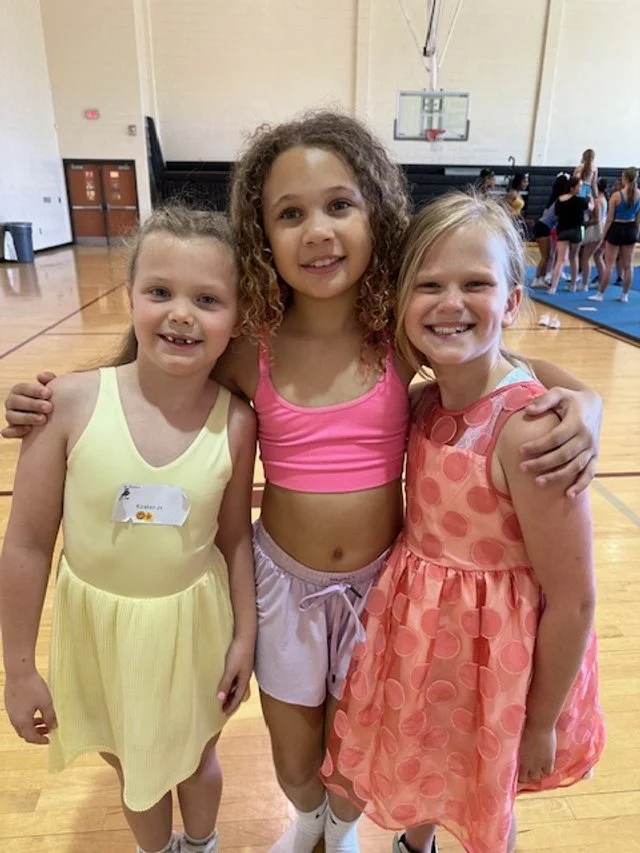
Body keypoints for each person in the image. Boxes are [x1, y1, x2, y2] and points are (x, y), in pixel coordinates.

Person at [1, 112, 603, 853]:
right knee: (294, 761)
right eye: (290, 213)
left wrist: (588, 404)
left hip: (385, 591)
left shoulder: (399, 335)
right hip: (282, 584)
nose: (317, 230)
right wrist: (54, 396)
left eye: (338, 205)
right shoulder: (248, 347)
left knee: (354, 754)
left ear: (375, 214)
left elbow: (511, 367)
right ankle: (306, 820)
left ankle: (336, 832)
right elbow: (155, 367)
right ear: (263, 236)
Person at [321, 192, 605, 853]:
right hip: (422, 638)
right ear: (401, 303)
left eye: (475, 283)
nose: (450, 302)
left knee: (485, 796)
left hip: (496, 663)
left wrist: (540, 723)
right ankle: (414, 843)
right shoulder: (422, 399)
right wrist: (587, 395)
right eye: (429, 285)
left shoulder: (530, 431)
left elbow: (575, 598)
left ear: (511, 301)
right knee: (426, 762)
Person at [0, 206, 257, 853]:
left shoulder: (236, 422)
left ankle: (202, 844)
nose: (181, 313)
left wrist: (245, 637)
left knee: (196, 759)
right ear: (129, 296)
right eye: (160, 291)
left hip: (194, 629)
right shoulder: (67, 403)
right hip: (100, 632)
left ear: (237, 318)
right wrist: (19, 668)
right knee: (131, 770)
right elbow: (26, 545)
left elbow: (234, 539)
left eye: (207, 299)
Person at [589, 167, 640, 304]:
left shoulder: (616, 196)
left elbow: (609, 219)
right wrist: (636, 233)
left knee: (609, 265)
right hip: (630, 228)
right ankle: (624, 295)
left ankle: (600, 294)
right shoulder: (639, 195)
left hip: (617, 228)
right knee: (628, 265)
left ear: (625, 179)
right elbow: (638, 218)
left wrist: (603, 236)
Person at [548, 177, 593, 293]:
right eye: (579, 186)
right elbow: (591, 208)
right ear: (572, 188)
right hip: (576, 230)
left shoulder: (560, 200)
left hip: (563, 230)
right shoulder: (580, 200)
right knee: (574, 257)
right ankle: (573, 285)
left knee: (561, 259)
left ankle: (553, 287)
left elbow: (557, 216)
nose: (581, 189)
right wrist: (590, 198)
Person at [530, 173, 570, 288]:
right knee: (545, 256)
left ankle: (540, 278)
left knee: (548, 256)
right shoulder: (560, 200)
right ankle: (537, 279)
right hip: (543, 227)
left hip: (543, 226)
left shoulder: (557, 199)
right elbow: (556, 217)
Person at [579, 178, 608, 291]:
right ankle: (602, 282)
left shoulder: (597, 201)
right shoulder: (603, 199)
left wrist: (584, 223)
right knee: (598, 256)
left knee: (585, 258)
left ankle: (584, 284)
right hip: (602, 229)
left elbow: (596, 219)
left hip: (596, 230)